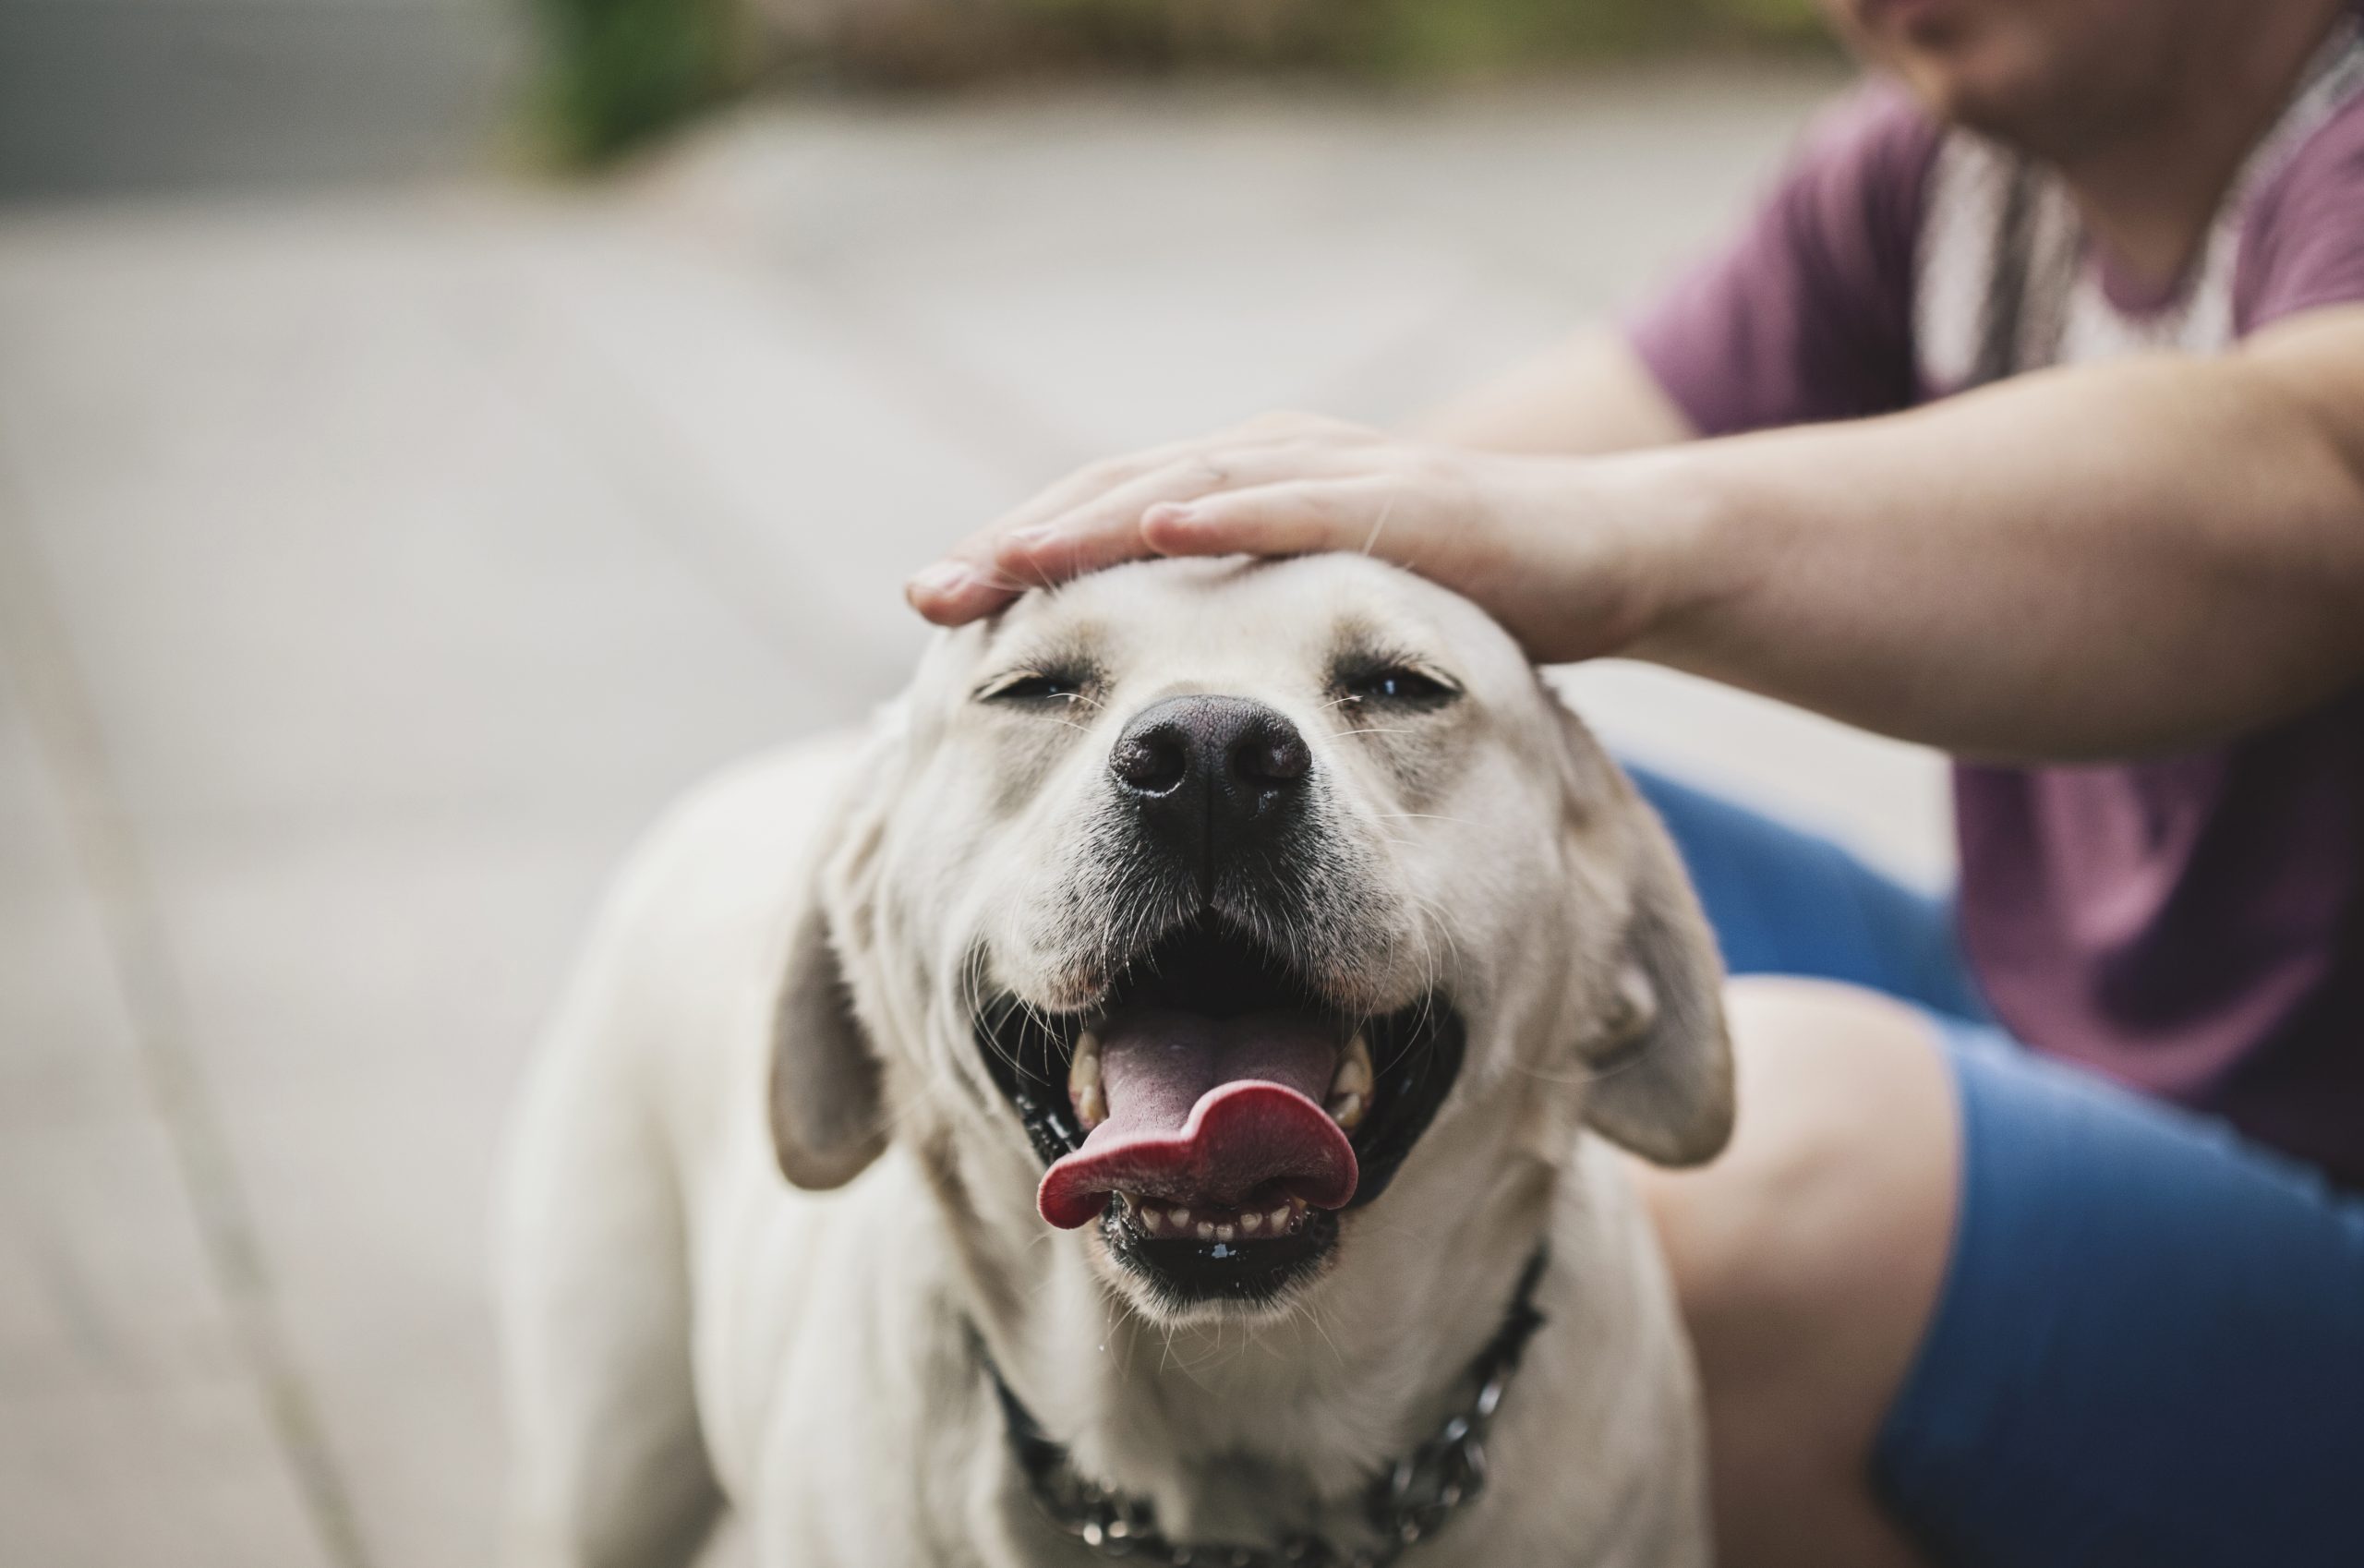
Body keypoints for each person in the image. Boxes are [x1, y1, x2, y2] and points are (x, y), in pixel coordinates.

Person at [904, 1, 2364, 1564]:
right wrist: (1074, 725)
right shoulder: (1937, 179)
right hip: (2063, 1013)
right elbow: (1404, 523)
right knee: (1465, 806)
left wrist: (1626, 545)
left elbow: (2319, 466)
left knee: (1769, 1181)